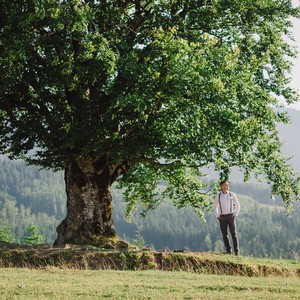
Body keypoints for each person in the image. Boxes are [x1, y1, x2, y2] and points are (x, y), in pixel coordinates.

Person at [214, 180, 240, 255]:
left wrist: (235, 214)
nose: (227, 186)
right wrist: (217, 215)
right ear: (222, 186)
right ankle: (228, 250)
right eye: (225, 185)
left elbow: (238, 204)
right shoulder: (218, 196)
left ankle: (237, 251)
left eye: (228, 185)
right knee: (225, 234)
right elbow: (215, 207)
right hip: (222, 217)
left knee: (234, 234)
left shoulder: (232, 194)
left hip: (231, 215)